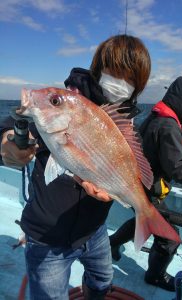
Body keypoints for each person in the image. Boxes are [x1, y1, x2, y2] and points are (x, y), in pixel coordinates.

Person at [0, 34, 151, 299]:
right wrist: (6, 142)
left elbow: (123, 164)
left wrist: (136, 200)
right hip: (47, 236)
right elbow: (16, 126)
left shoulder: (124, 119)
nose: (122, 83)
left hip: (95, 230)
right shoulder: (65, 104)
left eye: (131, 80)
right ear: (97, 70)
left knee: (103, 280)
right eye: (115, 72)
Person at [108, 76, 182, 292]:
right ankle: (154, 276)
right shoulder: (168, 125)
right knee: (169, 239)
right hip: (145, 191)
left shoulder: (156, 116)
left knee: (141, 221)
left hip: (137, 186)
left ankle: (112, 243)